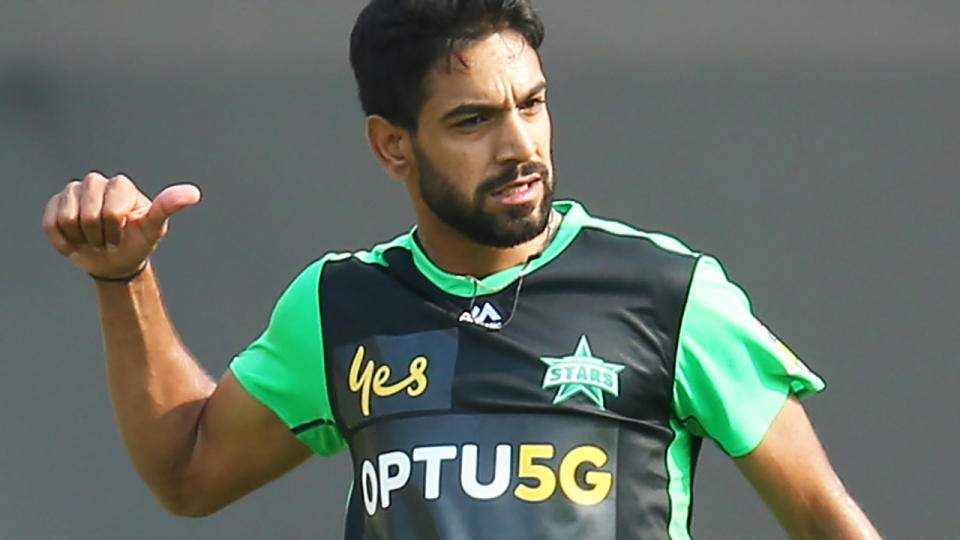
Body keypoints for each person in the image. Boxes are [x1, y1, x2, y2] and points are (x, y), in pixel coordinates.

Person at [41, 1, 882, 538]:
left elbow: (821, 516)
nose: (520, 146)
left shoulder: (668, 294)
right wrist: (123, 283)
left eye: (533, 103)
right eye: (475, 119)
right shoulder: (342, 307)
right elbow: (189, 475)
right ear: (392, 146)